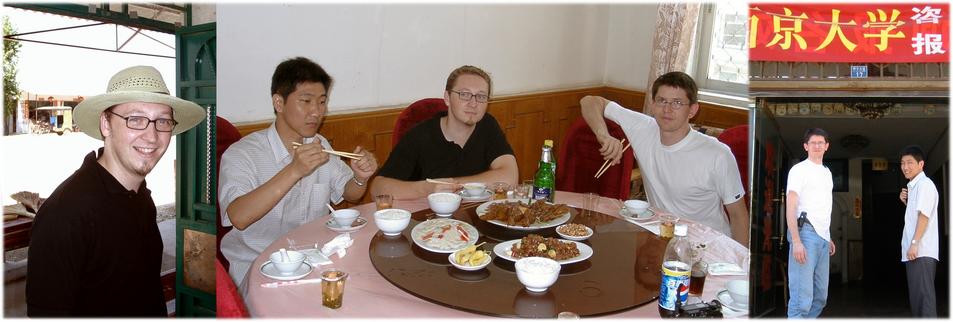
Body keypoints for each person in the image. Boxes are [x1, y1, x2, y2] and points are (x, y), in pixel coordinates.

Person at [26, 66, 205, 316]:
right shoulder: (66, 214)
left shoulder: (140, 196)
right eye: (136, 119)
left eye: (163, 121)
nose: (152, 136)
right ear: (106, 124)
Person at [218, 57, 378, 286]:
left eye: (322, 102)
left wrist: (360, 178)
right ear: (279, 103)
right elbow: (239, 217)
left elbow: (350, 193)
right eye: (306, 101)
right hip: (259, 269)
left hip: (315, 260)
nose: (316, 112)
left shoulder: (318, 143)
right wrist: (294, 170)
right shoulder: (242, 154)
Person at [579, 71, 749, 245]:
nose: (667, 109)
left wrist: (740, 265)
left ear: (692, 110)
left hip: (708, 245)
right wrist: (604, 136)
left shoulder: (718, 154)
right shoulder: (643, 128)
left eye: (677, 103)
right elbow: (590, 101)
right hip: (662, 238)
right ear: (653, 105)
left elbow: (738, 216)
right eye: (662, 101)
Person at [371, 65, 518, 199]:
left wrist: (453, 185)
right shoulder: (420, 136)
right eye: (464, 94)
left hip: (476, 216)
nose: (473, 104)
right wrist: (427, 188)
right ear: (447, 98)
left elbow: (510, 178)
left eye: (481, 96)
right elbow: (378, 188)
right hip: (430, 220)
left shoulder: (488, 125)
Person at [785, 128, 834, 318]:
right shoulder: (799, 170)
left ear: (826, 146)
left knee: (820, 297)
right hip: (805, 233)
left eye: (821, 142)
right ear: (806, 146)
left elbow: (823, 206)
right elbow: (791, 204)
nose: (817, 146)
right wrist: (796, 241)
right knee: (801, 298)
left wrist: (827, 236)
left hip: (822, 237)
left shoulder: (827, 173)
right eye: (813, 143)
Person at [898, 145, 939, 317]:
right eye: (902, 163)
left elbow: (924, 216)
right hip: (914, 253)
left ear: (921, 164)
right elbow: (917, 213)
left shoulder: (925, 184)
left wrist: (914, 243)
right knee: (918, 301)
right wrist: (906, 202)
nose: (905, 167)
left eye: (910, 163)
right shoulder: (914, 187)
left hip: (920, 252)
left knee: (924, 301)